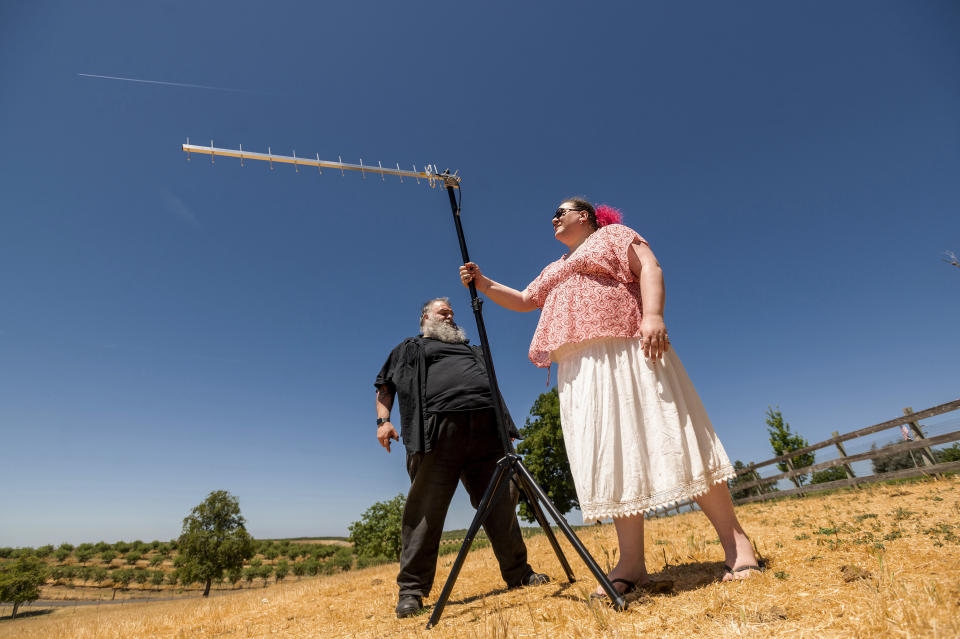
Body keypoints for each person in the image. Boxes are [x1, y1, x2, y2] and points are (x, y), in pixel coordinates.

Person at [458, 198, 763, 598]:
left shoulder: (614, 236)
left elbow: (649, 267)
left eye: (560, 212)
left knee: (671, 431)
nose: (553, 218)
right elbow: (523, 300)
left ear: (584, 216)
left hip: (628, 347)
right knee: (609, 453)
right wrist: (482, 282)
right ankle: (632, 563)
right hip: (578, 367)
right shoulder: (553, 269)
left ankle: (736, 543)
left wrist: (653, 316)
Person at [374, 297, 549, 618]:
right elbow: (385, 385)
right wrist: (383, 422)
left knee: (502, 503)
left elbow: (493, 389)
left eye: (452, 312)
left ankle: (519, 574)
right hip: (436, 434)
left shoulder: (472, 350)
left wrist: (506, 427)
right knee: (425, 510)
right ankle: (412, 591)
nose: (450, 315)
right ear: (426, 317)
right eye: (444, 311)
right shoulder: (410, 348)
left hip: (487, 434)